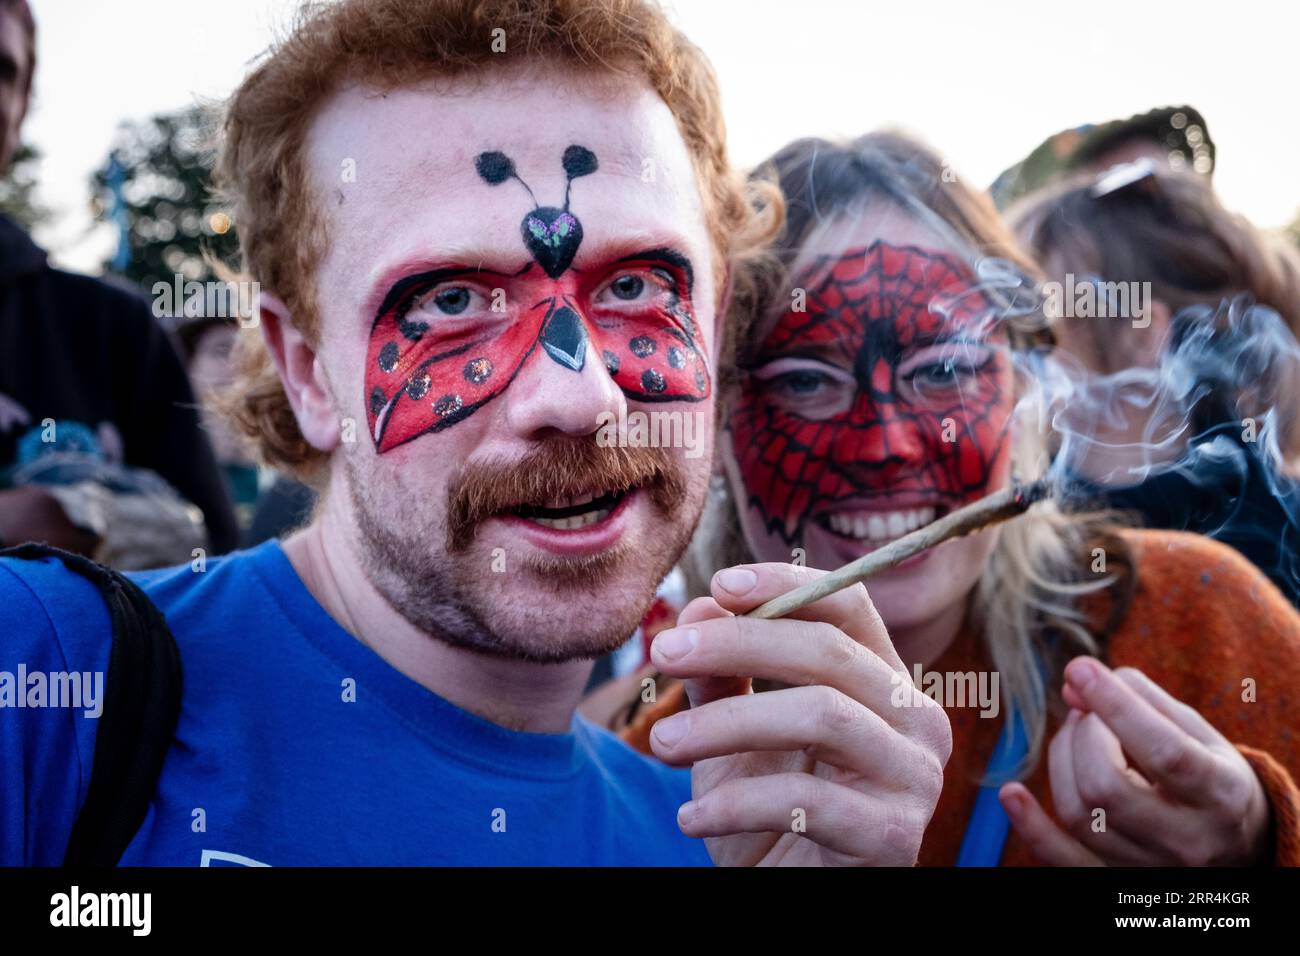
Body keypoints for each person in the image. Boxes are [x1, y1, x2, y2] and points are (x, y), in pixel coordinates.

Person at [0, 0, 951, 866]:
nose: (582, 403)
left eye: (633, 288)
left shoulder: (724, 835)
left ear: (713, 313)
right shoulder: (47, 676)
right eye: (453, 300)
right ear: (305, 368)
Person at [618, 131, 1300, 866]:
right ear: (718, 422)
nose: (888, 446)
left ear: (1021, 389)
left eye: (942, 369)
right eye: (806, 381)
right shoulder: (662, 776)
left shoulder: (1202, 628)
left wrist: (1246, 867)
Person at [0, 0, 239, 562]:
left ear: (22, 105)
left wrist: (76, 516)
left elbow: (210, 545)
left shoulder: (112, 327)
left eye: (2, 70)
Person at [1008, 163, 1300, 604]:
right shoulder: (1013, 521)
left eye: (1037, 326)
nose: (1009, 355)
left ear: (1140, 334)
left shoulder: (1270, 530)